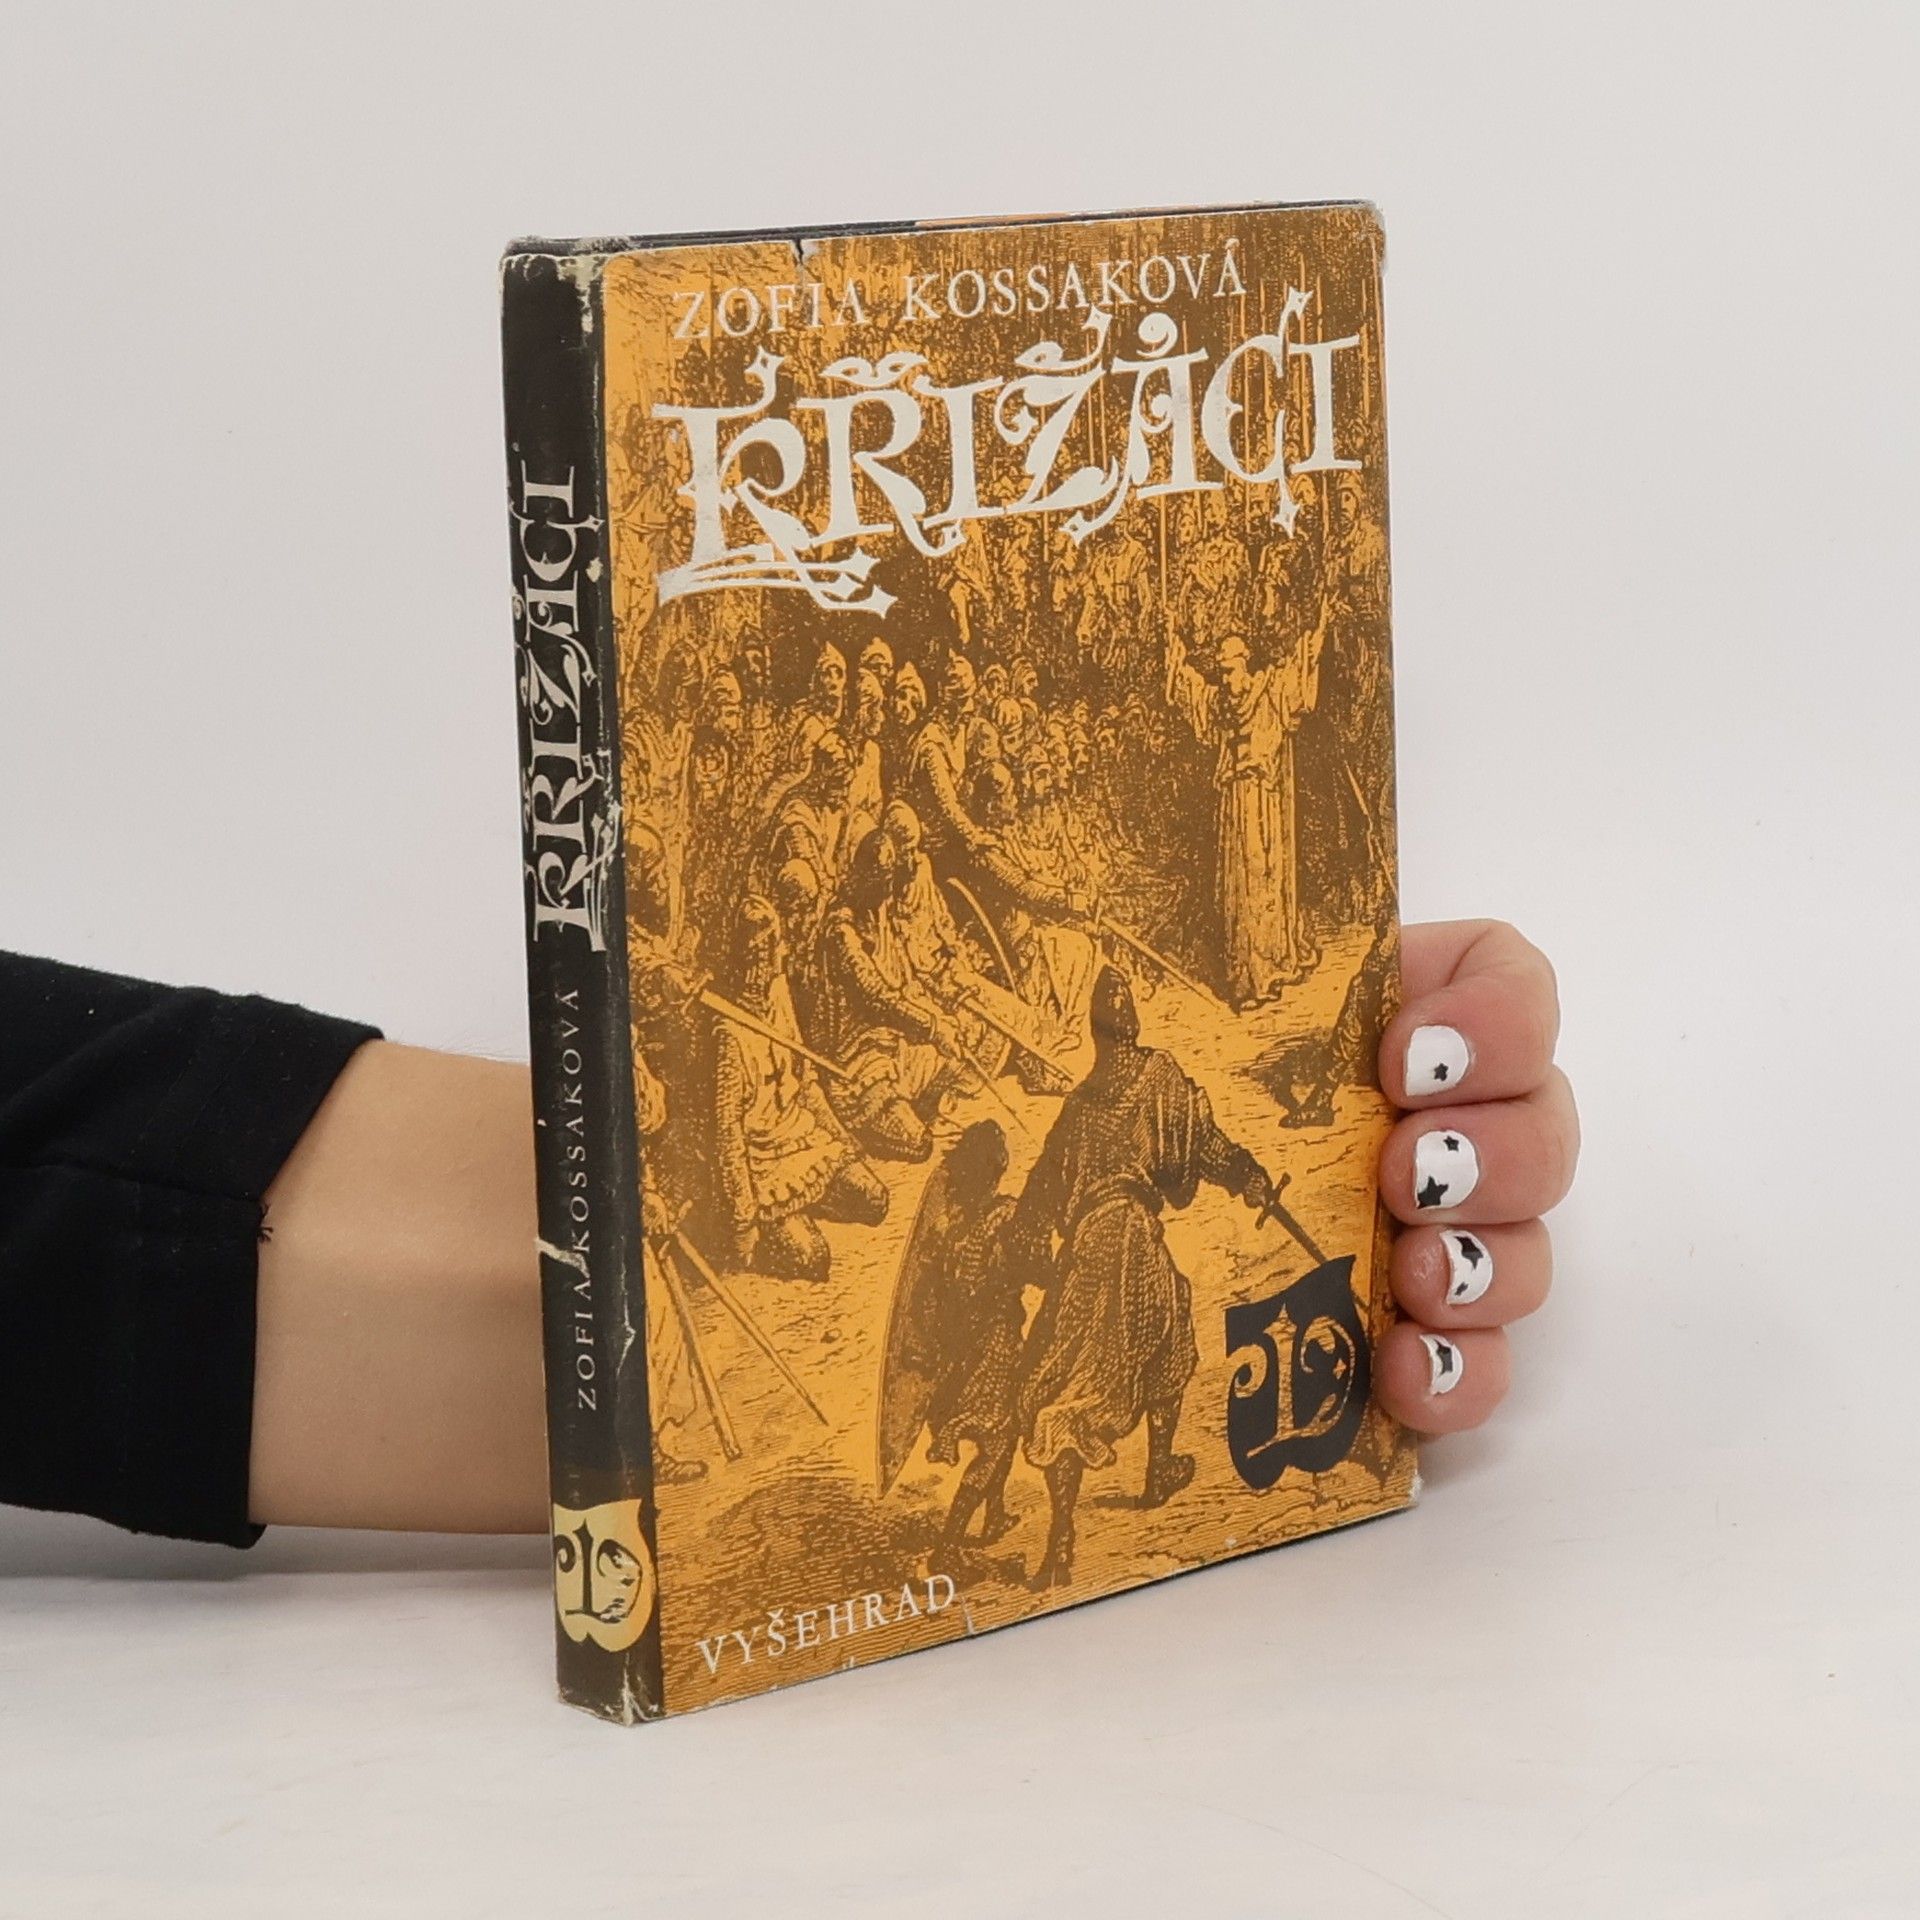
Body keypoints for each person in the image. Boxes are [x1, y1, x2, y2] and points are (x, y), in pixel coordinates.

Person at [0, 920, 1575, 1544]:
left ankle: (1019, 1471)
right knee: (1136, 1336)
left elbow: (1109, 1181)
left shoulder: (1120, 1092)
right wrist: (1264, 1173)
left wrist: (1314, 1152)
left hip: (1087, 1239)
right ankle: (1055, 1470)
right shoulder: (1140, 1091)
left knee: (1083, 1353)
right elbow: (1180, 1163)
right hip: (1118, 1243)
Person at [1008, 967, 1278, 1588]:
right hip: (1131, 1233)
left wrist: (1026, 1248)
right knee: (1169, 1333)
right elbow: (1202, 1143)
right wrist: (1249, 1176)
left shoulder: (1077, 1106)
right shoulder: (1157, 1074)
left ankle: (1063, 1534)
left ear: (1094, 1032)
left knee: (1069, 1380)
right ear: (1131, 1025)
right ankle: (1157, 1470)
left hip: (1084, 1250)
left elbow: (1040, 1194)